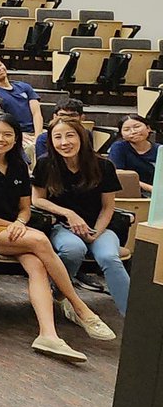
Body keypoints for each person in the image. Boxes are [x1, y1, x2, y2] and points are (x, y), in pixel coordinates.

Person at [0, 113, 114, 361]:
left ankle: (48, 335)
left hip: (19, 231)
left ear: (15, 139)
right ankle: (79, 306)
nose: (1, 139)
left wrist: (20, 223)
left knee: (37, 266)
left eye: (8, 135)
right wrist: (16, 226)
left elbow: (25, 207)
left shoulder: (20, 166)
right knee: (41, 241)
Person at [32, 117, 130, 316]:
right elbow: (38, 200)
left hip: (99, 226)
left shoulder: (103, 166)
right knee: (73, 250)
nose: (64, 142)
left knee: (110, 257)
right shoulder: (45, 164)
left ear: (82, 137)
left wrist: (96, 232)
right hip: (62, 226)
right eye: (57, 137)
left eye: (70, 135)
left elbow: (108, 207)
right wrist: (69, 214)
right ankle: (60, 294)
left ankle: (132, 316)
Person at [0, 54, 43, 145]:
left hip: (37, 130)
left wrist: (38, 136)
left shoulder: (24, 86)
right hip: (15, 134)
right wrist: (18, 135)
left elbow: (36, 113)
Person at [108, 114, 157, 195]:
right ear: (122, 134)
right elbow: (119, 174)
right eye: (127, 129)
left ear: (148, 128)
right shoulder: (118, 147)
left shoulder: (159, 149)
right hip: (130, 193)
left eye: (137, 127)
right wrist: (151, 189)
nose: (133, 132)